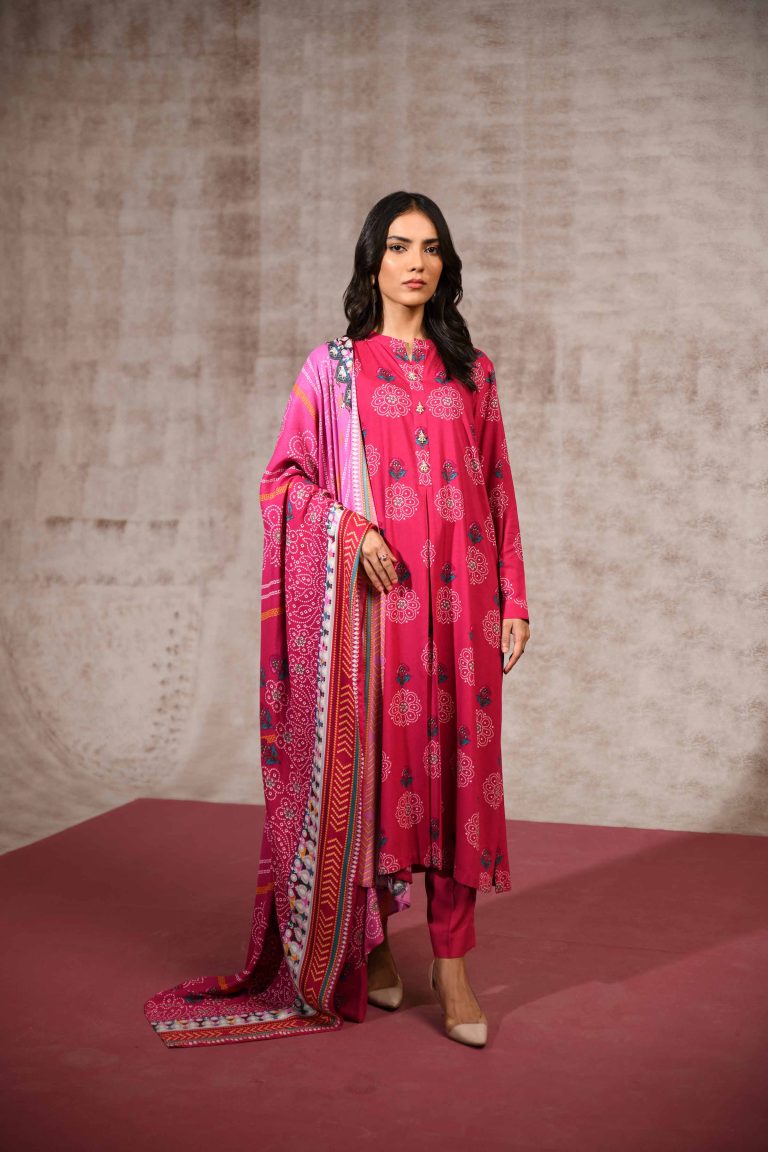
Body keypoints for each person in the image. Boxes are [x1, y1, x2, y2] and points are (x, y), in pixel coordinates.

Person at [143, 191, 529, 1051]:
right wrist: (351, 534)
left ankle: (453, 967)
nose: (416, 262)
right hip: (376, 620)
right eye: (398, 246)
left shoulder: (474, 372)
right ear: (372, 262)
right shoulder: (333, 371)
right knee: (381, 784)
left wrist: (514, 597)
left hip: (463, 613)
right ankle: (375, 944)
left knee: (459, 784)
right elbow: (282, 483)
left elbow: (498, 488)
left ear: (445, 264)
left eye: (430, 247)